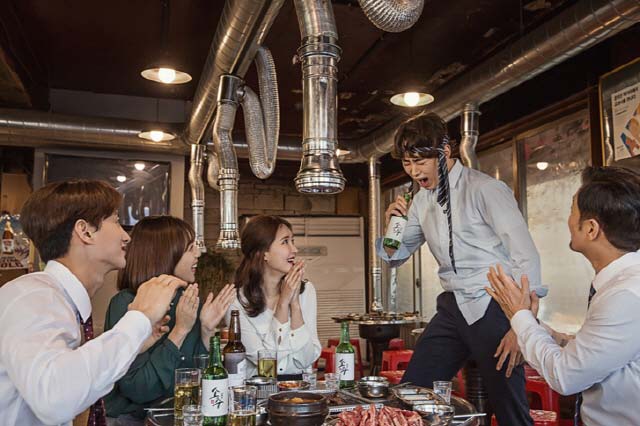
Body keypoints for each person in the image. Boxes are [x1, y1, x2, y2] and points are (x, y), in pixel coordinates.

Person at [377, 113, 545, 425]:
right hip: (453, 307)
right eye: (407, 163)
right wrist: (393, 226)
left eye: (420, 161)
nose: (414, 171)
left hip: (495, 304)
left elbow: (526, 255)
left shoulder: (485, 189)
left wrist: (522, 326)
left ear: (444, 152)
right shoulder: (421, 201)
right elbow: (394, 255)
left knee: (509, 408)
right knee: (412, 393)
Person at [0, 180, 186, 426]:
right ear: (85, 231)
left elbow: (74, 377)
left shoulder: (61, 302)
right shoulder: (33, 296)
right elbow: (55, 399)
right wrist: (138, 319)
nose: (126, 236)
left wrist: (135, 343)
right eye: (116, 221)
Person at [486, 166, 640, 426]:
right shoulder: (622, 285)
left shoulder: (625, 296)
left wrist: (519, 316)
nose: (567, 221)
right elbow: (594, 352)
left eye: (571, 211)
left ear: (591, 229)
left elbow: (566, 376)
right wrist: (536, 326)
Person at [103, 216, 235, 424]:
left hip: (180, 416)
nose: (198, 253)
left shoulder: (187, 301)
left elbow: (201, 381)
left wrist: (207, 331)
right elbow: (138, 389)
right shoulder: (127, 304)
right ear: (165, 254)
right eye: (190, 248)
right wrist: (179, 331)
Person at [226, 215, 321, 379]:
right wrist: (283, 304)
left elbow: (307, 359)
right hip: (257, 389)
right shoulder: (236, 301)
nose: (294, 249)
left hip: (300, 388)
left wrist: (295, 305)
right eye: (285, 242)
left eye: (293, 241)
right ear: (263, 253)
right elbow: (265, 364)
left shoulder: (306, 291)